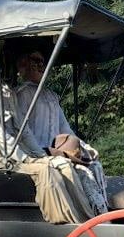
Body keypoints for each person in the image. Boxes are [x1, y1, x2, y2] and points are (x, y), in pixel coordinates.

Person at [0, 48, 95, 224]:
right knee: (46, 170)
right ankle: (62, 223)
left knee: (61, 164)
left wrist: (40, 155)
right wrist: (23, 158)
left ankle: (88, 220)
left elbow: (23, 129)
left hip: (16, 148)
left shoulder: (6, 91)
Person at [15, 50, 108, 215]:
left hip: (57, 152)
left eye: (43, 62)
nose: (41, 65)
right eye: (35, 61)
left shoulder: (50, 95)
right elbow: (22, 130)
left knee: (93, 167)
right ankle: (86, 215)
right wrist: (40, 154)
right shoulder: (22, 94)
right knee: (78, 172)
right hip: (37, 153)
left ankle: (101, 212)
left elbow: (65, 128)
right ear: (23, 65)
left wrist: (85, 147)